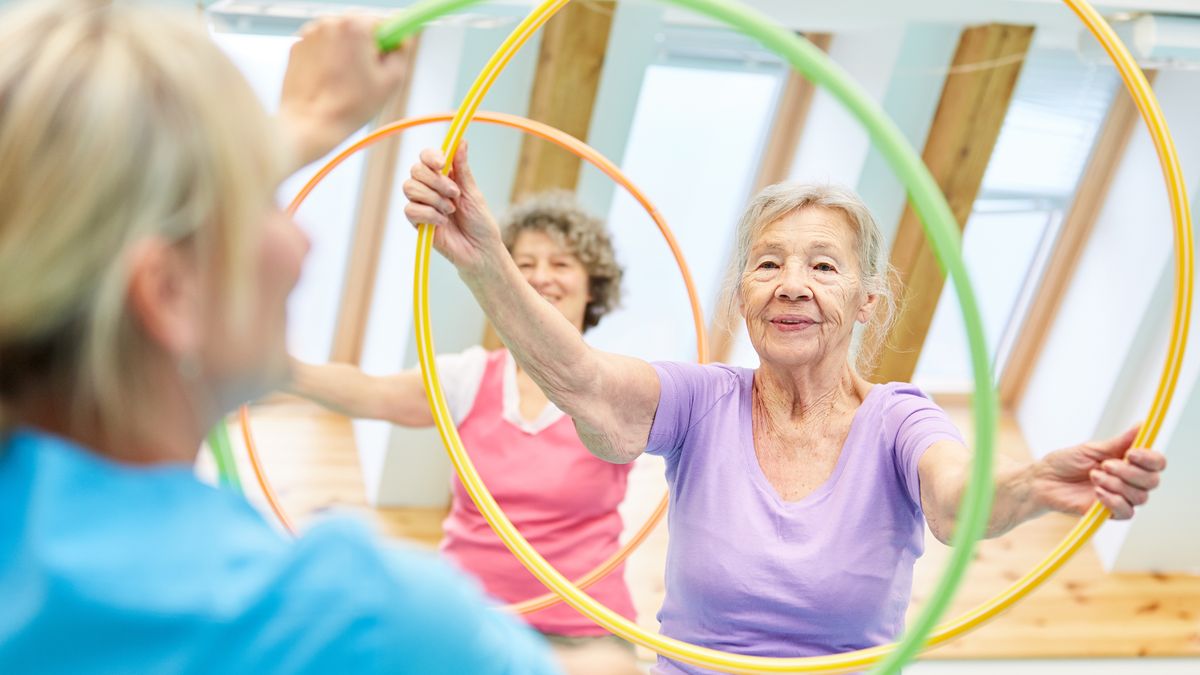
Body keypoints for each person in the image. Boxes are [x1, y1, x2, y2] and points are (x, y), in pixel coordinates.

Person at [0, 2, 632, 673]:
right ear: (167, 292)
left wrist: (302, 127)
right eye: (264, 204)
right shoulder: (356, 616)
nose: (303, 242)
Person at [402, 145, 1169, 674]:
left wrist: (1033, 483)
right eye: (768, 263)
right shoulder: (703, 401)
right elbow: (585, 381)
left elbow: (956, 496)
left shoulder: (900, 420)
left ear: (869, 300)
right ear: (743, 295)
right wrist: (485, 262)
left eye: (823, 266)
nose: (791, 283)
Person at [289, 192, 638, 652]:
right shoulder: (471, 376)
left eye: (561, 264)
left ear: (593, 285)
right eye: (525, 263)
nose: (541, 277)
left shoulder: (623, 386)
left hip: (582, 624)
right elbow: (370, 393)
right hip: (468, 614)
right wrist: (279, 370)